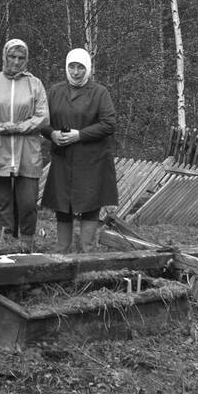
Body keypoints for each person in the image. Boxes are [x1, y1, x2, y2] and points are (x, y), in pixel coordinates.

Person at [0, 39, 49, 248]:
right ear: (4, 57)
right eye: (12, 57)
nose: (16, 61)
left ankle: (27, 247)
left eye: (21, 58)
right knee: (2, 205)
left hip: (26, 152)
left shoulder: (35, 84)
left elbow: (43, 117)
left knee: (28, 203)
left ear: (26, 60)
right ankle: (7, 247)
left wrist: (19, 127)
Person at [41, 48, 118, 252]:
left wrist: (79, 135)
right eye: (72, 67)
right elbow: (42, 121)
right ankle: (62, 250)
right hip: (63, 158)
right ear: (67, 67)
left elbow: (109, 124)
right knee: (62, 206)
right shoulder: (55, 91)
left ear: (88, 69)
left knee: (90, 206)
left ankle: (86, 251)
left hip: (92, 160)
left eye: (80, 67)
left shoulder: (99, 93)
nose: (76, 72)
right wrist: (52, 134)